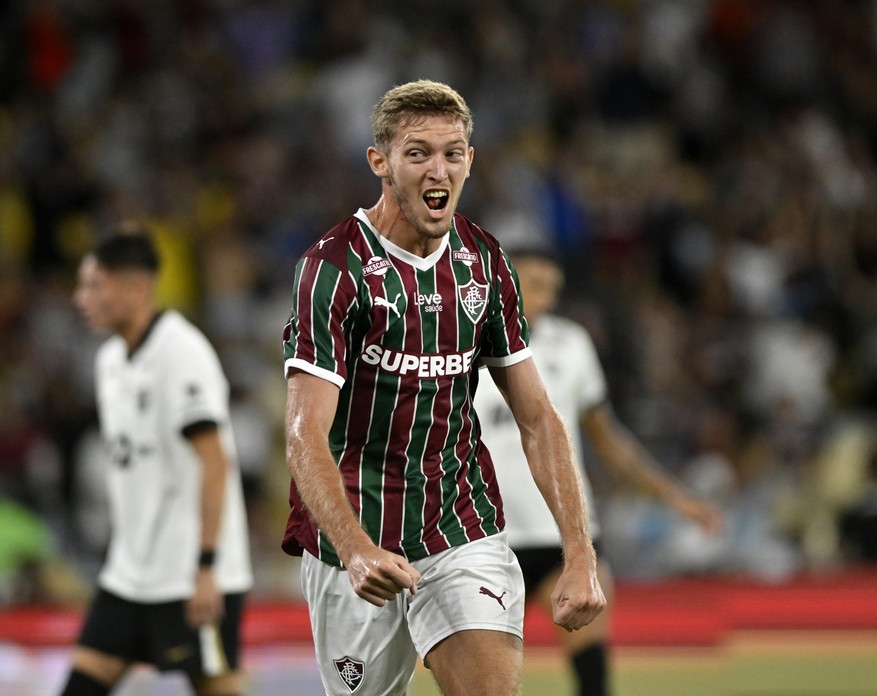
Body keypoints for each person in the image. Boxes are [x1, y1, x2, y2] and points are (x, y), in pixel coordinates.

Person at [281, 79, 605, 696]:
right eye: (419, 152)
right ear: (380, 162)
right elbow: (304, 435)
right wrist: (353, 548)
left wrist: (580, 553)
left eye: (452, 152)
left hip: (460, 524)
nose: (440, 169)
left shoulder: (485, 264)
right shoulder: (333, 268)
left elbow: (538, 418)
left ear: (469, 161)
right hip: (356, 537)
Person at [473, 246, 724, 696]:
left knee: (593, 675)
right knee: (479, 681)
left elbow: (609, 441)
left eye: (553, 289)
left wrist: (677, 498)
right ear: (503, 282)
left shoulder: (571, 344)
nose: (545, 299)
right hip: (485, 539)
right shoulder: (459, 344)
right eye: (533, 285)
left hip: (566, 535)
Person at [61, 230, 253, 696]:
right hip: (130, 572)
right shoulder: (109, 361)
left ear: (135, 289)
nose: (79, 297)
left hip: (191, 573)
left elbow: (215, 462)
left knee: (218, 687)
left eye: (94, 285)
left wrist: (207, 566)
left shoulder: (182, 354)